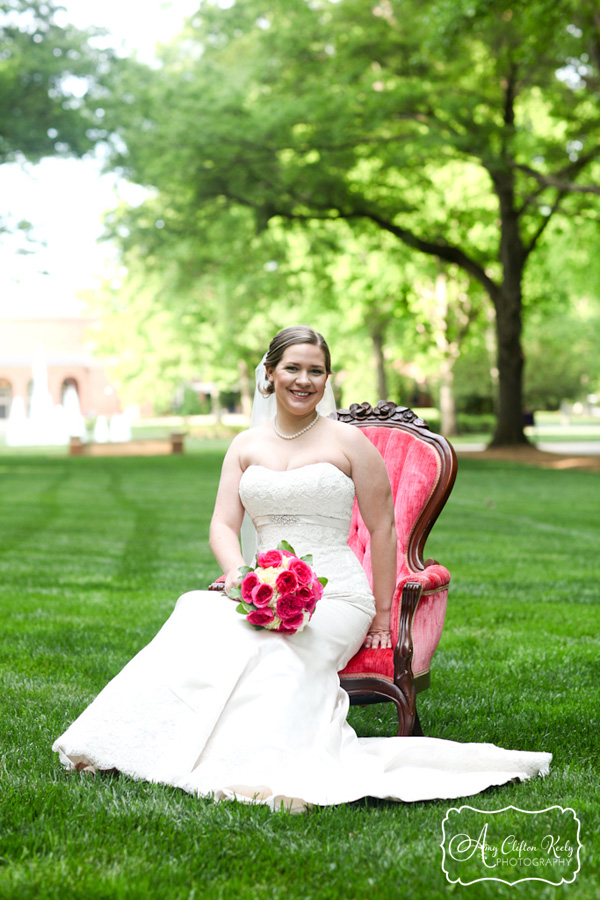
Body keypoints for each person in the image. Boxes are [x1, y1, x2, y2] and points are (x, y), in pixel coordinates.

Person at [53, 325, 551, 810]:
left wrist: (381, 614)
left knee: (277, 651)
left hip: (338, 597)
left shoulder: (351, 444)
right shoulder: (245, 446)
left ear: (327, 379)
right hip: (261, 587)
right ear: (269, 373)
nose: (304, 380)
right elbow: (223, 527)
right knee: (193, 613)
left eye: (316, 371)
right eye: (293, 368)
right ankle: (138, 744)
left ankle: (267, 769)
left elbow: (384, 532)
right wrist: (238, 577)